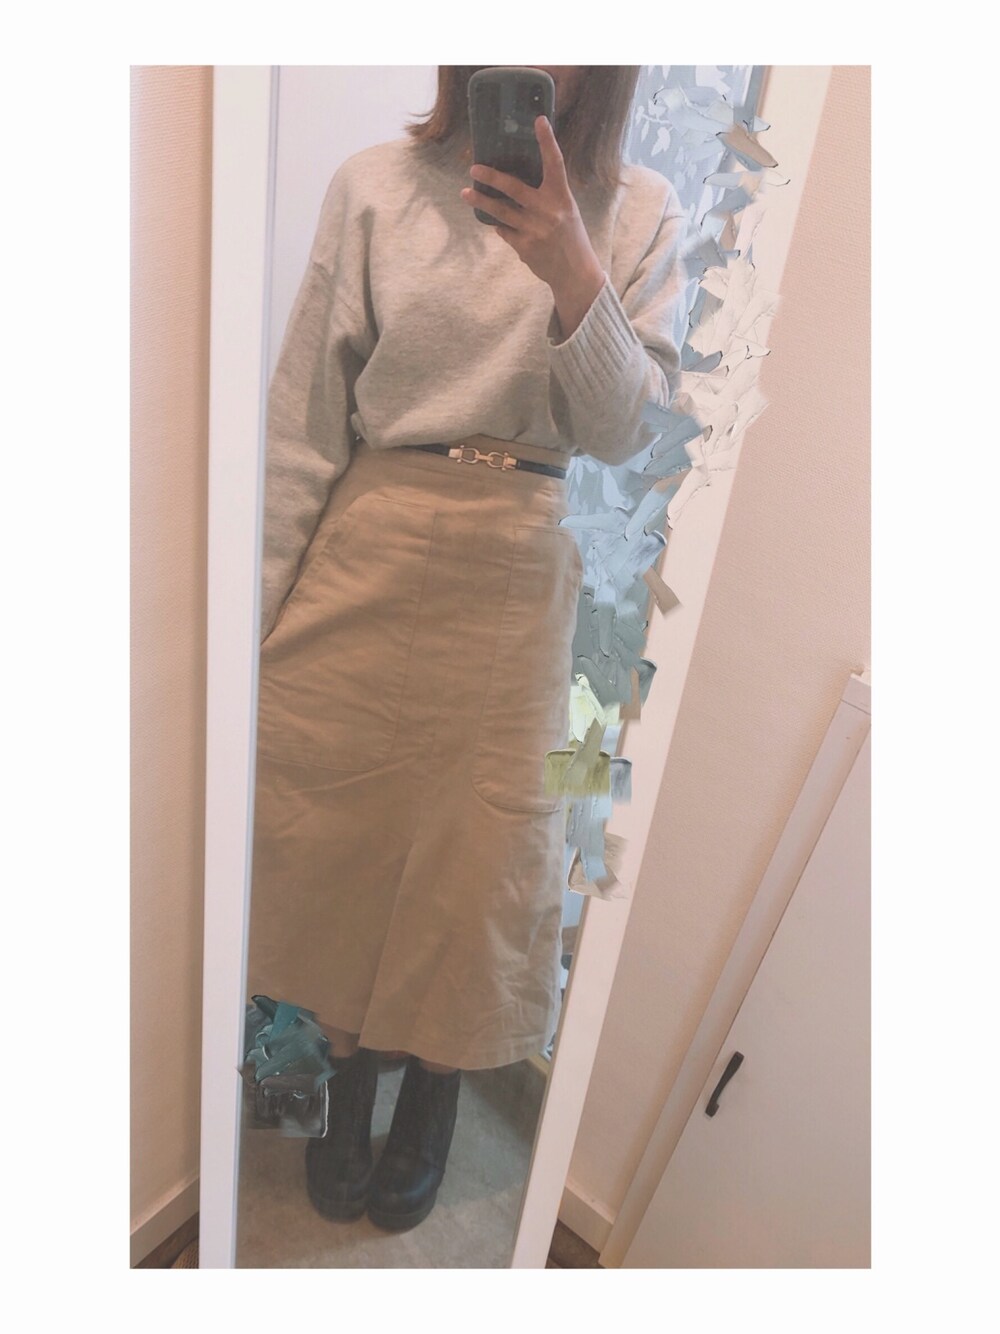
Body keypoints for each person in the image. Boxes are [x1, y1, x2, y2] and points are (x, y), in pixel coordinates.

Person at [246, 65, 690, 1234]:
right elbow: (302, 422)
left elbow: (629, 433)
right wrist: (250, 623)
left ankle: (435, 1089)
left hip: (527, 571)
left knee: (481, 867)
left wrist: (574, 273)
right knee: (324, 839)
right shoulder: (375, 186)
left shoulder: (641, 209)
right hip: (371, 542)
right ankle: (339, 1082)